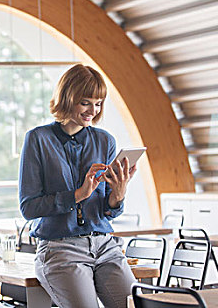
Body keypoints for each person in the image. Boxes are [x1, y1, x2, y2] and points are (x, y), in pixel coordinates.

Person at [18, 64, 137, 308]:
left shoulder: (105, 141)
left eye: (98, 103)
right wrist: (78, 195)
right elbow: (28, 208)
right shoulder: (38, 139)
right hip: (60, 250)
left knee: (136, 305)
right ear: (67, 98)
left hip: (105, 246)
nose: (92, 110)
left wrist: (119, 194)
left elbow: (107, 210)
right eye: (85, 102)